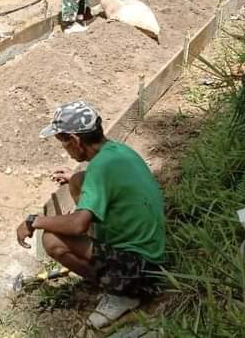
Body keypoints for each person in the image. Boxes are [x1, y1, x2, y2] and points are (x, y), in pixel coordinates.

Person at [16, 101, 165, 329]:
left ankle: (120, 293)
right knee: (78, 180)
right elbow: (93, 181)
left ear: (75, 140)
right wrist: (77, 178)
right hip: (151, 254)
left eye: (62, 142)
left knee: (51, 239)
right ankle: (105, 264)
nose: (63, 147)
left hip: (139, 271)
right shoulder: (116, 152)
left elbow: (77, 225)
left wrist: (34, 221)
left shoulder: (99, 169)